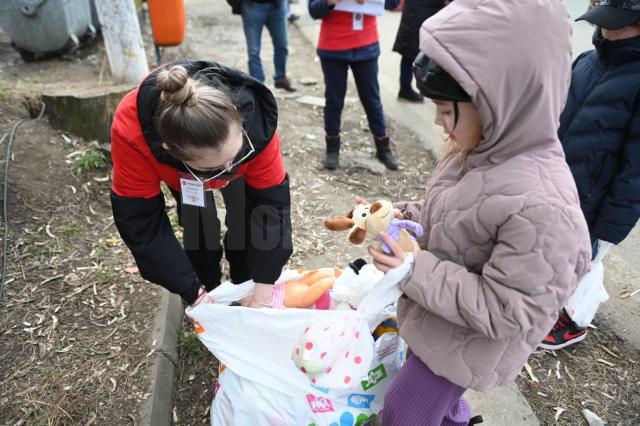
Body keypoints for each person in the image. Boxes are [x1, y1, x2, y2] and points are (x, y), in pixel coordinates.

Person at [364, 0, 592, 424]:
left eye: (447, 110)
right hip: (437, 318)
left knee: (402, 412)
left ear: (501, 102)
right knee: (436, 406)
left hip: (465, 342)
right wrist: (397, 215)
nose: (437, 122)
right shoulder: (479, 146)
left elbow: (508, 310)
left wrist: (415, 268)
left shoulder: (545, 209)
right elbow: (449, 216)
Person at [110, 61, 292, 308]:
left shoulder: (256, 120)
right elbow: (141, 223)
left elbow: (270, 206)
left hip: (237, 163)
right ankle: (209, 283)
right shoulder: (132, 133)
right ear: (172, 152)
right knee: (198, 226)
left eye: (234, 156)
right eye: (213, 168)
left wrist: (263, 287)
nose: (227, 171)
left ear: (239, 119)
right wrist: (193, 293)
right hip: (186, 179)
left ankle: (242, 281)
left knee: (242, 220)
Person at [541, 0, 640, 350]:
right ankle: (541, 308)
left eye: (619, 24)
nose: (607, 30)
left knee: (577, 262)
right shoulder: (588, 60)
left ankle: (572, 322)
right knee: (546, 252)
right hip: (555, 181)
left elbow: (635, 170)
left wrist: (609, 229)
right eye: (604, 22)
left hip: (592, 199)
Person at [308, 0, 400, 171]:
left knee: (372, 100)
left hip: (366, 46)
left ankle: (383, 148)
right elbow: (313, 10)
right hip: (333, 47)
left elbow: (393, 4)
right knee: (334, 100)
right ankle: (332, 149)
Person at [392, 0, 446, 103]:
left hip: (420, 11)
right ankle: (406, 89)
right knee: (410, 54)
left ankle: (406, 89)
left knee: (409, 52)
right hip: (420, 13)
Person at [241, 0, 296, 92]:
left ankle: (280, 78)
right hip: (252, 6)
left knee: (282, 45)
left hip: (278, 6)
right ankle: (258, 87)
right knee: (253, 51)